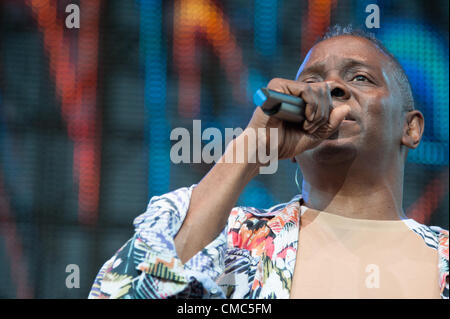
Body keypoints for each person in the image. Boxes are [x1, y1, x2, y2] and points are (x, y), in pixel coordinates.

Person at [88, 25, 449, 299]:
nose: (332, 89)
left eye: (360, 78)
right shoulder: (233, 243)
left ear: (411, 127)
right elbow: (124, 291)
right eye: (313, 82)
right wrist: (254, 145)